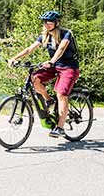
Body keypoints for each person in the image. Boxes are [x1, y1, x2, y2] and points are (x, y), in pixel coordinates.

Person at [8, 10, 80, 138]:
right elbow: (30, 49)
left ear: (56, 23)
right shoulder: (45, 36)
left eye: (50, 22)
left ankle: (60, 127)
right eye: (45, 22)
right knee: (34, 78)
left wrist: (51, 61)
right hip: (54, 66)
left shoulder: (66, 34)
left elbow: (61, 49)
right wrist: (14, 58)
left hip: (69, 68)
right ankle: (48, 99)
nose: (47, 24)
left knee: (61, 94)